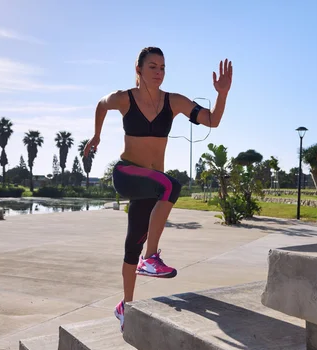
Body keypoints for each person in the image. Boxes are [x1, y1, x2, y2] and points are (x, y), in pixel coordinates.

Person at [83, 46, 233, 332]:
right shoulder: (124, 98)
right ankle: (150, 258)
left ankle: (125, 307)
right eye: (152, 67)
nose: (159, 73)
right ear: (138, 69)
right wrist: (97, 135)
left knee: (132, 246)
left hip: (150, 186)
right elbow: (102, 104)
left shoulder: (173, 101)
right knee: (170, 184)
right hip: (127, 174)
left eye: (163, 67)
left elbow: (212, 120)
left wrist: (222, 94)